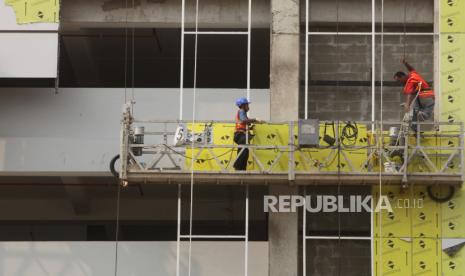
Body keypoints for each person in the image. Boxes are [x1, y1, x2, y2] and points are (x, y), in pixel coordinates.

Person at [394, 59, 435, 131]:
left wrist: (407, 105)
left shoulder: (409, 81)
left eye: (398, 80)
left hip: (424, 96)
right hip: (423, 96)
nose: (399, 82)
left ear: (402, 76)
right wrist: (406, 63)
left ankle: (417, 121)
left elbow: (409, 95)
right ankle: (415, 125)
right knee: (416, 110)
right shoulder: (413, 74)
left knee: (421, 110)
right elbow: (411, 69)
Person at [233, 97, 262, 171]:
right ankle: (239, 169)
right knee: (243, 152)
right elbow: (243, 120)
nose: (248, 107)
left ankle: (241, 169)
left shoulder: (243, 112)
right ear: (243, 105)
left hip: (241, 135)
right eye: (247, 105)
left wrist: (250, 127)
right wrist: (255, 119)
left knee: (244, 152)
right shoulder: (241, 111)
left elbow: (245, 122)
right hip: (241, 135)